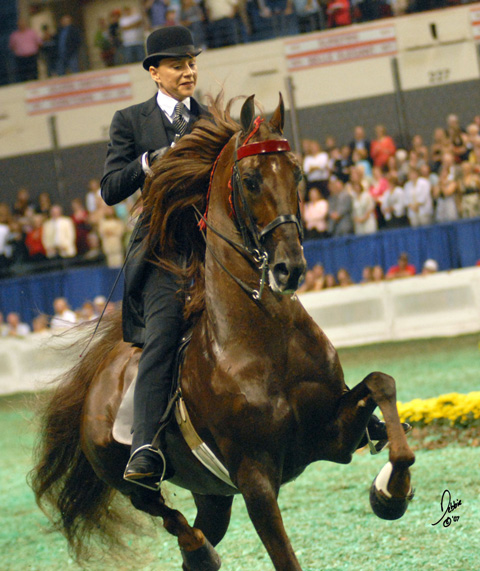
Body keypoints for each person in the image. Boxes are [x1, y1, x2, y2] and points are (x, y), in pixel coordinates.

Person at [100, 26, 207, 485]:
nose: (189, 72)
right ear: (154, 72)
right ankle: (144, 444)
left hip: (212, 245)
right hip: (164, 252)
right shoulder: (129, 120)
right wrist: (147, 161)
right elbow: (109, 189)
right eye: (179, 65)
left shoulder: (211, 117)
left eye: (192, 63)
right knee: (162, 335)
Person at [8, 18, 42, 83]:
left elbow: (39, 43)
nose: (21, 25)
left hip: (32, 57)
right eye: (20, 24)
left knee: (34, 74)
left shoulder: (32, 32)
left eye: (23, 23)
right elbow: (12, 46)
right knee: (23, 75)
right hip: (21, 59)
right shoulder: (14, 35)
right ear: (17, 25)